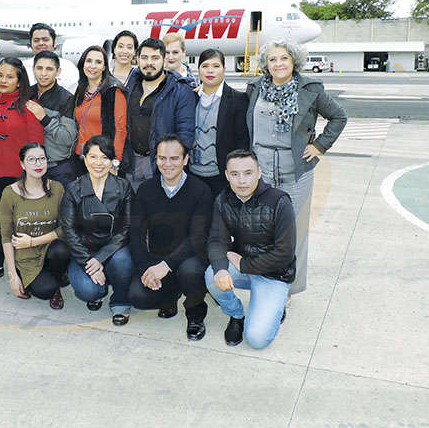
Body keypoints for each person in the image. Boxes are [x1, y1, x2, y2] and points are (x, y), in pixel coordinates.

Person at [246, 39, 347, 298]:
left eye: (283, 59)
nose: (278, 64)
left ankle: (288, 289)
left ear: (294, 62)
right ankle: (266, 282)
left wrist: (320, 146)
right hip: (262, 172)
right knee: (263, 232)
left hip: (296, 173)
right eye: (272, 59)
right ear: (265, 64)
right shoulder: (255, 89)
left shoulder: (309, 89)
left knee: (294, 233)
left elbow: (339, 117)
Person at [204, 150, 296, 349]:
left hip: (273, 274)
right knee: (212, 276)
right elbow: (216, 240)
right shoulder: (223, 200)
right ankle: (236, 315)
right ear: (227, 175)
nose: (242, 181)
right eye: (235, 174)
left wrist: (244, 264)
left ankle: (275, 305)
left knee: (257, 339)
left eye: (248, 173)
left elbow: (285, 252)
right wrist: (221, 268)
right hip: (243, 267)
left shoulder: (280, 201)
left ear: (259, 172)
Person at [128, 135, 213, 341]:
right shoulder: (146, 189)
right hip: (159, 256)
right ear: (156, 160)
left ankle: (195, 315)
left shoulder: (201, 190)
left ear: (185, 160)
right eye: (162, 158)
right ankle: (169, 297)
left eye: (174, 158)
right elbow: (136, 233)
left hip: (191, 256)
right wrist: (145, 269)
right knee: (138, 296)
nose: (167, 164)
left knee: (190, 271)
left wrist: (166, 265)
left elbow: (197, 238)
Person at [0, 58, 45, 286]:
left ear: (19, 81)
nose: (3, 80)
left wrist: (33, 176)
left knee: (14, 222)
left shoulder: (28, 105)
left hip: (16, 176)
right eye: (0, 75)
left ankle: (17, 264)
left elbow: (36, 144)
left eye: (10, 76)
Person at [60, 135, 134, 325]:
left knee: (124, 261)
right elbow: (69, 231)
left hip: (114, 248)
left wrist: (100, 258)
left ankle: (120, 301)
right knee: (87, 291)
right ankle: (98, 291)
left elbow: (127, 226)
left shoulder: (123, 187)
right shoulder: (73, 189)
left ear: (112, 161)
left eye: (104, 157)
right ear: (84, 159)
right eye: (93, 157)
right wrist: (88, 262)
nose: (98, 163)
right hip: (84, 251)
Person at [0, 143, 70, 310]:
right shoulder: (10, 193)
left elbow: (65, 228)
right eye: (31, 160)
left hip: (50, 248)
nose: (38, 164)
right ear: (22, 164)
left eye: (42, 159)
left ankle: (57, 278)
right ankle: (45, 282)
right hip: (25, 255)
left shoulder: (57, 189)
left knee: (62, 249)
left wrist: (33, 241)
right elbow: (6, 236)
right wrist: (12, 276)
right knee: (44, 290)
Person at [124, 38, 197, 190]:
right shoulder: (129, 87)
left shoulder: (180, 91)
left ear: (164, 60)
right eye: (144, 58)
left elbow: (185, 133)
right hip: (131, 163)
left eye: (155, 58)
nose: (149, 63)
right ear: (137, 60)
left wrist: (171, 165)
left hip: (161, 166)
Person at [191, 48, 249, 199]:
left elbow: (242, 141)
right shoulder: (190, 97)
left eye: (216, 66)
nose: (210, 70)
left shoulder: (238, 100)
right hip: (192, 175)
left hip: (222, 177)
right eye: (205, 66)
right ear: (198, 70)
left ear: (224, 69)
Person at [72, 46, 127, 176]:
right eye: (89, 61)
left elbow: (121, 129)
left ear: (104, 67)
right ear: (83, 64)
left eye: (98, 62)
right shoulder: (80, 90)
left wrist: (115, 161)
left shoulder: (113, 91)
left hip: (102, 160)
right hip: (81, 157)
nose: (93, 66)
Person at [26, 50, 78, 186]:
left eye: (49, 69)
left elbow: (68, 139)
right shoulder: (26, 94)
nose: (43, 73)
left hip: (57, 168)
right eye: (39, 68)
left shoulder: (67, 99)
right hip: (29, 167)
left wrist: (44, 118)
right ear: (33, 69)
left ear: (58, 71)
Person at [21, 23, 78, 91]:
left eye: (45, 40)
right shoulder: (22, 67)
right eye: (36, 40)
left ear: (54, 42)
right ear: (31, 44)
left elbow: (72, 96)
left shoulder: (68, 67)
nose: (41, 43)